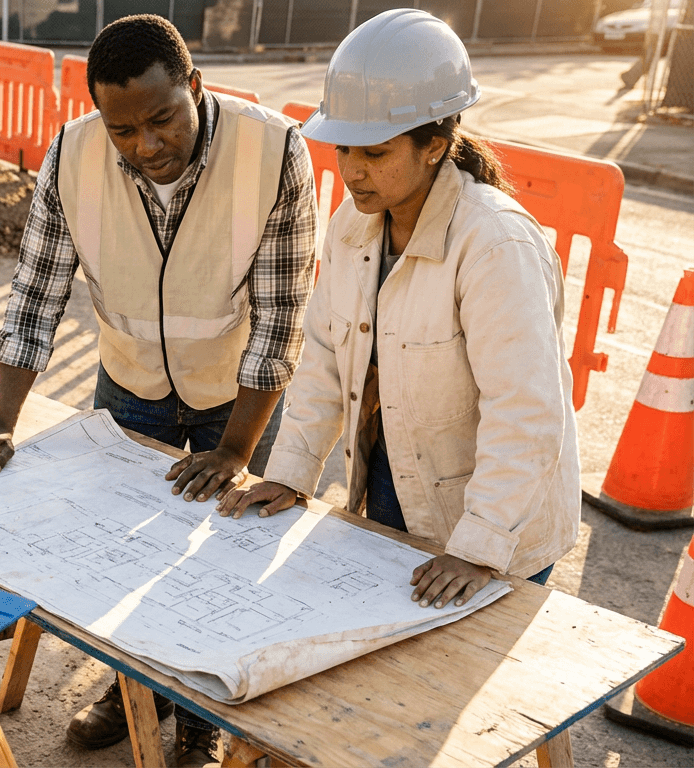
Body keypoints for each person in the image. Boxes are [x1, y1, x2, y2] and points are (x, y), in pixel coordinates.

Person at [0, 14, 318, 766]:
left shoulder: (273, 151)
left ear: (195, 86)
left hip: (235, 392)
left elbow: (278, 322)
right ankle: (134, 687)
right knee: (121, 546)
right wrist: (1, 422)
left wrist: (236, 450)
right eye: (123, 130)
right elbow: (35, 295)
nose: (146, 145)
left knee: (220, 554)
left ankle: (202, 713)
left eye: (163, 119)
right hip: (131, 380)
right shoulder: (72, 154)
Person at [223, 9, 580, 613]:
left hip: (499, 520)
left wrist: (478, 548)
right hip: (395, 484)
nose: (352, 171)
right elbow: (325, 361)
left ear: (434, 146)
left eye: (375, 152)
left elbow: (524, 412)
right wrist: (289, 472)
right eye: (344, 148)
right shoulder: (353, 223)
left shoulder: (495, 245)